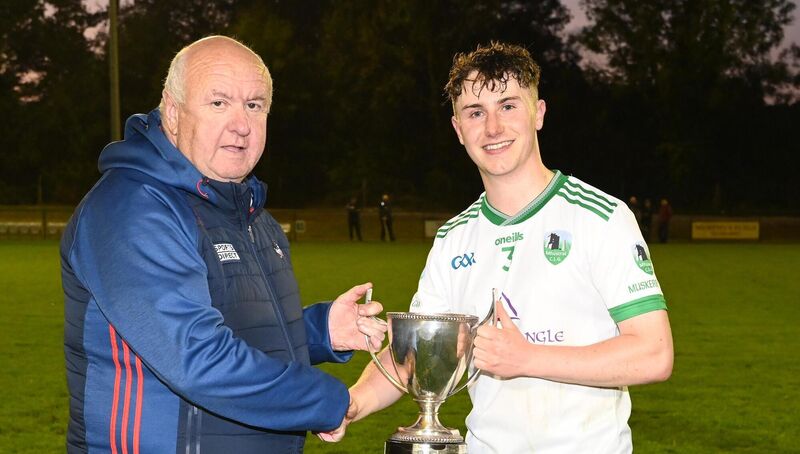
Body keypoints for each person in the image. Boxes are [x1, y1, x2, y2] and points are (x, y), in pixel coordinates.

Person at [321, 41, 673, 453]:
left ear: (538, 113)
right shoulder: (454, 238)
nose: (492, 128)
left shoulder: (601, 216)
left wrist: (527, 358)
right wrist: (351, 404)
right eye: (475, 112)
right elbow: (416, 355)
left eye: (508, 106)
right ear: (458, 129)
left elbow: (654, 354)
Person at [60, 36, 387, 454]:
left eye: (254, 105)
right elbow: (197, 357)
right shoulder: (132, 207)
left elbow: (237, 333)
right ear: (173, 113)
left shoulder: (253, 218)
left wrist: (320, 332)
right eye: (219, 103)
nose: (241, 124)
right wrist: (328, 401)